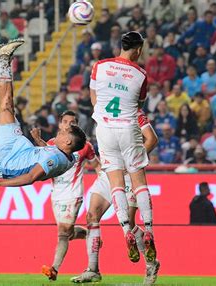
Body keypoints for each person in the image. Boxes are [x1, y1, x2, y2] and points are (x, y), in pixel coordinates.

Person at [0, 39, 87, 189]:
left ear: (68, 142)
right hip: (20, 147)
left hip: (4, 162)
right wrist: (39, 141)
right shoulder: (69, 156)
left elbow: (31, 178)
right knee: (6, 105)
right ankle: (4, 58)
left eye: (64, 132)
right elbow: (50, 153)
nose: (61, 130)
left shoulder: (56, 159)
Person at [89, 31, 157, 267]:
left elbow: (94, 98)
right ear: (138, 49)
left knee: (116, 182)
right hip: (128, 127)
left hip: (104, 129)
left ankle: (127, 230)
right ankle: (148, 231)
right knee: (139, 182)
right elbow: (138, 105)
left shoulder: (100, 66)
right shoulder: (140, 74)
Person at [72, 109, 160, 284]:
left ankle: (151, 264)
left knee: (131, 222)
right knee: (92, 216)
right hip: (108, 172)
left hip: (128, 173)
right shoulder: (104, 106)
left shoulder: (133, 110)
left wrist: (133, 161)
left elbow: (151, 138)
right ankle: (93, 269)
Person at [31, 111, 99, 281]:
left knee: (62, 234)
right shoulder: (54, 143)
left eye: (73, 122)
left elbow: (96, 165)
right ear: (60, 124)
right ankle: (89, 235)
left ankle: (54, 269)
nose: (69, 124)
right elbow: (46, 154)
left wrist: (104, 184)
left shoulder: (85, 146)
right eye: (66, 122)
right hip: (56, 195)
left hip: (73, 194)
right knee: (67, 234)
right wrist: (38, 141)